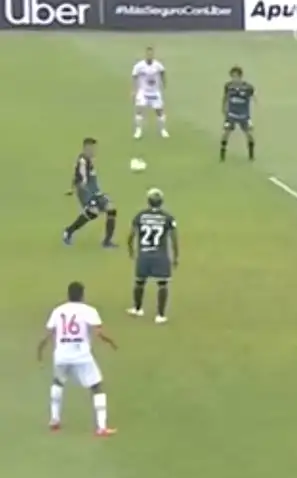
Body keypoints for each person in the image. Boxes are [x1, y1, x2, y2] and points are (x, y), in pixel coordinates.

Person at [37, 281, 118, 436]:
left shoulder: (58, 310)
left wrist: (40, 350)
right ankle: (101, 427)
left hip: (61, 354)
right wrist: (112, 343)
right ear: (82, 295)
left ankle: (54, 419)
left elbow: (47, 334)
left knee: (58, 382)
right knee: (96, 387)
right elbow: (99, 333)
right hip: (81, 355)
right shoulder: (89, 310)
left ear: (68, 295)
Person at [127, 188, 179, 324]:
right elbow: (174, 238)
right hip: (160, 255)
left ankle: (137, 309)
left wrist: (131, 250)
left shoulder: (140, 216)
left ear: (148, 201)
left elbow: (131, 235)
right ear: (161, 202)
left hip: (144, 254)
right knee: (162, 284)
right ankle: (160, 315)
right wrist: (176, 256)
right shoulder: (167, 217)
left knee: (139, 282)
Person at [63, 137, 117, 248]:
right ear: (86, 148)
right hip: (86, 192)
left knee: (111, 209)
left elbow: (76, 176)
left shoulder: (88, 160)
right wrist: (84, 193)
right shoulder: (83, 161)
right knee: (93, 212)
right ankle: (68, 231)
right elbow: (82, 180)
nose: (94, 151)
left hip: (95, 192)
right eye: (92, 148)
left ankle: (107, 241)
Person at [131, 46, 169, 139]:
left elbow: (163, 72)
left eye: (151, 54)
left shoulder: (157, 65)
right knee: (139, 110)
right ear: (146, 55)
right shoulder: (139, 66)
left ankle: (163, 130)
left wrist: (164, 82)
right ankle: (138, 130)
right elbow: (134, 76)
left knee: (159, 112)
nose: (149, 56)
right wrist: (134, 89)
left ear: (153, 55)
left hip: (155, 92)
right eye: (148, 54)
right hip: (143, 92)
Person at [220, 66, 256, 161]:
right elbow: (225, 97)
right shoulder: (228, 86)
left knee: (249, 134)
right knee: (226, 133)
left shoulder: (247, 87)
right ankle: (222, 154)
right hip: (231, 114)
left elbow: (252, 97)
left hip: (243, 115)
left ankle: (251, 155)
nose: (234, 79)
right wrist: (224, 108)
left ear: (240, 76)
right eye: (232, 76)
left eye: (236, 76)